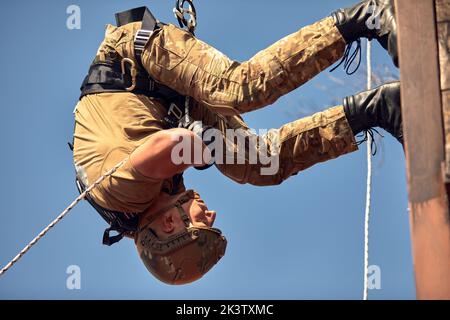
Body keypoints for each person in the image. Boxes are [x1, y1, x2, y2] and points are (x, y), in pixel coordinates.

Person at [72, 0, 402, 285]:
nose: (212, 214)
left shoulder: (123, 194)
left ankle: (367, 16)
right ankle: (379, 109)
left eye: (204, 223)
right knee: (262, 164)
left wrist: (198, 150)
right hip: (167, 102)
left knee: (241, 89)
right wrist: (201, 148)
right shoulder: (142, 208)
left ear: (171, 223)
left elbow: (175, 145)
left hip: (137, 61)